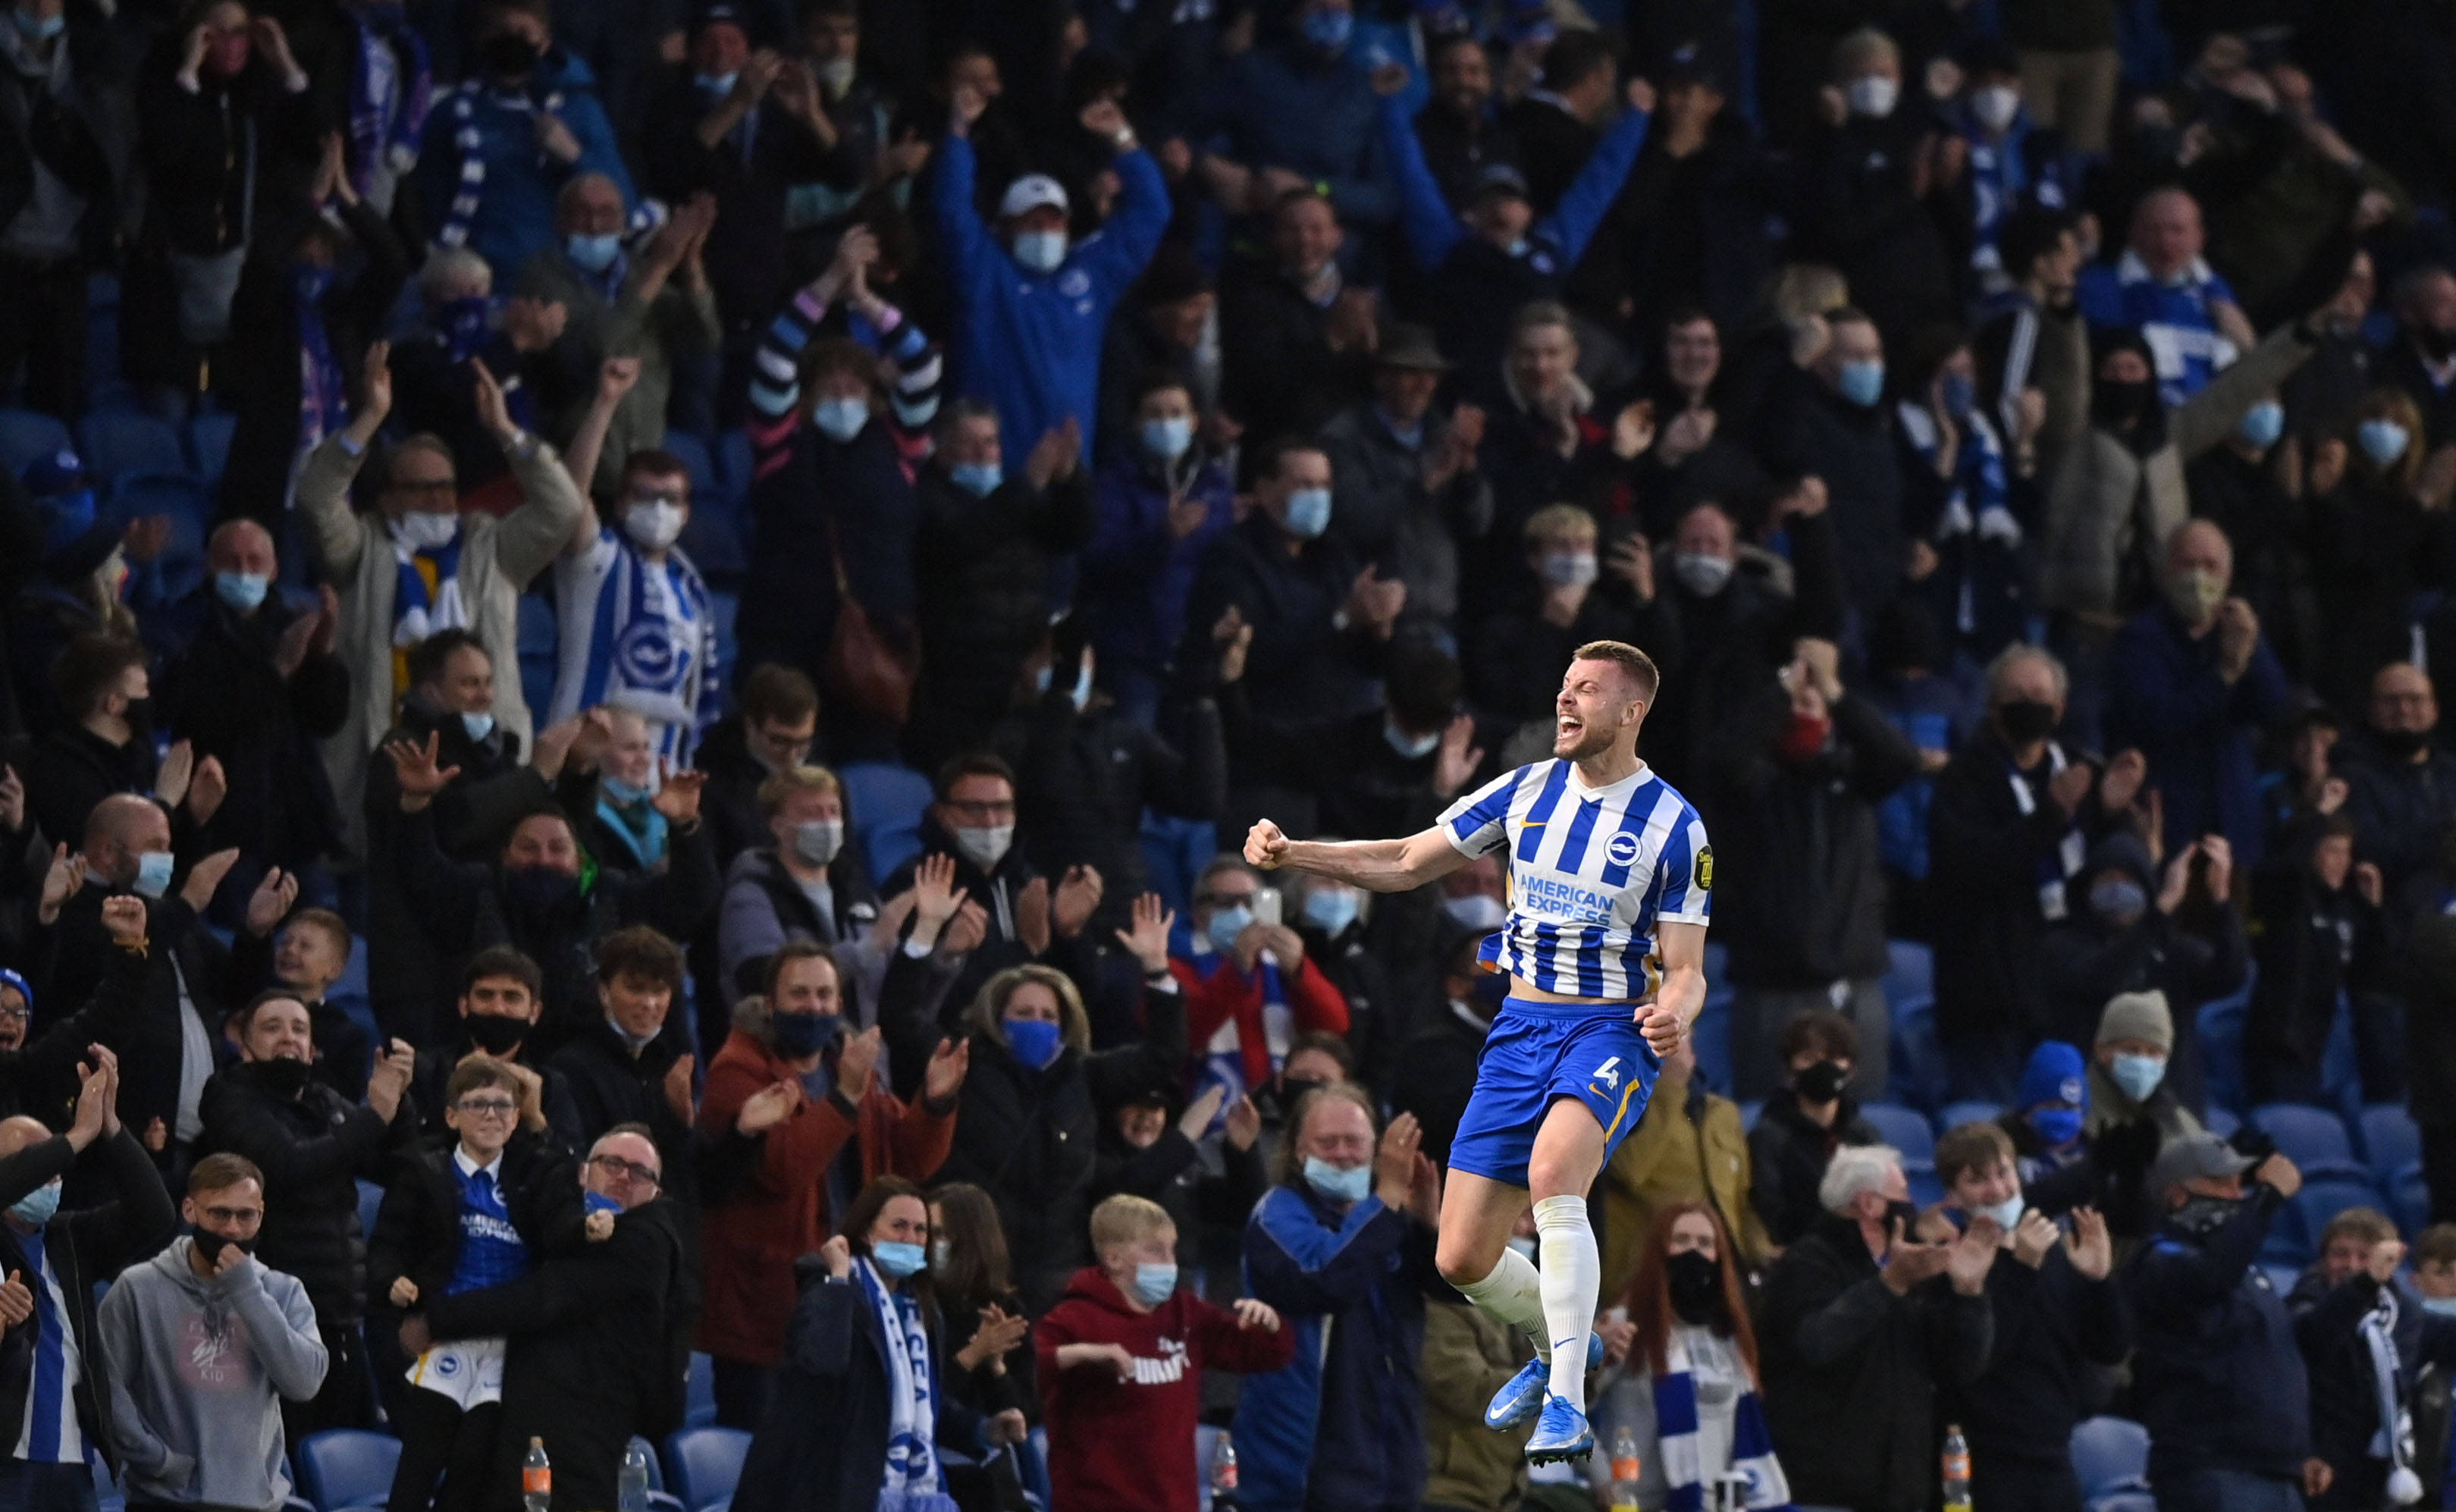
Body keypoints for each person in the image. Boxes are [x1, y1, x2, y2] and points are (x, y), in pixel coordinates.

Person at [1243, 638, 1708, 1461]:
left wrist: (1670, 1014)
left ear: (1631, 711)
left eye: (1587, 690)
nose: (1566, 700)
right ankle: (1561, 1346)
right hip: (1518, 1031)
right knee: (1461, 1255)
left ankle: (1566, 1403)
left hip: (1608, 1029)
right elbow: (1404, 860)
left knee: (1554, 1174)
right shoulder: (1524, 790)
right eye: (1564, 685)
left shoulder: (1675, 825)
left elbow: (1686, 971)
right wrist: (1295, 853)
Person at [298, 343, 584, 858]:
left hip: (484, 767)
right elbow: (316, 499)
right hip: (386, 761)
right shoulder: (360, 549)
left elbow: (563, 509)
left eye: (446, 487)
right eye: (420, 488)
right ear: (388, 498)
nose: (437, 499)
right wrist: (371, 418)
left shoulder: (492, 548)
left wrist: (506, 431)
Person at [695, 940, 967, 1429]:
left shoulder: (851, 1067)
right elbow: (781, 1170)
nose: (814, 1006)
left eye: (824, 994)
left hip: (848, 1304)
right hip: (764, 1315)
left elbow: (910, 1162)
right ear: (770, 1004)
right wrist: (843, 1097)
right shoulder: (738, 1069)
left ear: (841, 1002)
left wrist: (935, 1102)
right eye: (799, 994)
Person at [404, 1125, 690, 1512]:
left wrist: (438, 1319)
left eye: (640, 1172)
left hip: (579, 1438)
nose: (624, 1176)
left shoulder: (645, 1241)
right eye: (612, 1163)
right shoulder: (567, 1227)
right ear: (584, 1173)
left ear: (655, 1192)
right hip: (533, 1421)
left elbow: (544, 1297)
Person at [195, 990, 419, 1441]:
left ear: (312, 1048)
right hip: (269, 1320)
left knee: (347, 1448)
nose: (288, 1037)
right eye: (272, 1027)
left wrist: (400, 1099)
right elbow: (288, 1166)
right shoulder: (228, 1097)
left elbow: (400, 1167)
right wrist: (376, 1114)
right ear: (245, 1045)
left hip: (339, 1317)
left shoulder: (325, 1102)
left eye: (299, 1029)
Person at [730, 1175, 1027, 1512]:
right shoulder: (828, 1289)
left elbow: (919, 1404)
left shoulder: (921, 1312)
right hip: (821, 1488)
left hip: (893, 1492)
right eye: (899, 1226)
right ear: (866, 1232)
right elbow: (824, 1362)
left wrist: (983, 1429)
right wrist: (838, 1280)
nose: (911, 1238)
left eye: (920, 1230)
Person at [367, 1057, 585, 1512]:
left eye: (503, 1106)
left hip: (507, 1343)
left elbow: (561, 1224)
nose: (491, 1115)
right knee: (420, 1461)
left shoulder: (535, 1174)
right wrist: (392, 1281)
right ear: (452, 1116)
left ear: (517, 1118)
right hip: (441, 1336)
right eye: (478, 1104)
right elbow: (387, 1244)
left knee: (475, 1463)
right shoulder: (424, 1171)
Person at [934, 935, 1189, 1314]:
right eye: (1024, 1013)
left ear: (1065, 1023)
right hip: (977, 1271)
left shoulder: (1083, 1077)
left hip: (1057, 1279)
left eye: (1048, 1016)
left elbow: (1163, 1055)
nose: (1037, 1023)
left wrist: (1156, 971)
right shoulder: (966, 1069)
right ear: (997, 1018)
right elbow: (904, 1022)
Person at [1929, 645, 2140, 1099]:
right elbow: (1970, 872)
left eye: (2040, 697)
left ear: (2060, 709)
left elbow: (2112, 881)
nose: (2029, 706)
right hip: (1991, 1002)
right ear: (1992, 706)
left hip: (2071, 995)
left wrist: (2115, 818)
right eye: (2017, 696)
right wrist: (2049, 818)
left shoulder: (2085, 774)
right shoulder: (1961, 781)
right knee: (1993, 1127)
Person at [1713, 636, 1918, 1099]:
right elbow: (1724, 758)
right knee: (1770, 1118)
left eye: (1815, 702)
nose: (1803, 708)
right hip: (1771, 989)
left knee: (1859, 1122)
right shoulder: (1752, 784)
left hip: (1852, 985)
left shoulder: (1854, 778)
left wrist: (1837, 692)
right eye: (1794, 702)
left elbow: (1901, 759)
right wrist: (1781, 691)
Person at [1757, 1144, 1997, 1512]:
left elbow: (1961, 1368)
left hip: (1902, 1489)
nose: (1911, 1205)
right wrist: (1889, 1285)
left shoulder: (1911, 1268)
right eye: (1902, 1194)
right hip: (1825, 1490)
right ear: (1869, 1204)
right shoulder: (1807, 1263)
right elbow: (1816, 1343)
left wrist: (1969, 1293)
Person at [934, 86, 1166, 466]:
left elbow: (1152, 213)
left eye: (1055, 221)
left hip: (1067, 473)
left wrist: (1123, 139)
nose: (1045, 231)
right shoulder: (984, 271)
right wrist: (959, 134)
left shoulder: (1090, 275)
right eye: (1032, 222)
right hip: (989, 469)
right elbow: (951, 208)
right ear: (1005, 228)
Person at [1237, 1085, 1441, 1510]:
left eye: (1354, 1141)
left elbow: (1454, 1294)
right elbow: (1327, 1281)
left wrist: (1428, 1227)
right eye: (1327, 1143)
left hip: (1392, 1457)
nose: (1343, 1154)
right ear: (1298, 1151)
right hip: (1307, 1465)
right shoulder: (1278, 1215)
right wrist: (1387, 1199)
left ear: (1375, 1148)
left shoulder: (1387, 1218)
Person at [97, 1153, 330, 1512]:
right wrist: (158, 1461)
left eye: (246, 1215)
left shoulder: (283, 1291)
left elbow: (304, 1384)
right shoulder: (137, 1288)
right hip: (160, 1500)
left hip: (251, 1503)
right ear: (189, 1210)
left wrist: (248, 1292)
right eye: (220, 1214)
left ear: (261, 1214)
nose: (233, 1229)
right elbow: (105, 1390)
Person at [0, 1042, 177, 1512]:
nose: (49, 1172)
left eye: (56, 1164)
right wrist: (76, 1135)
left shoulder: (69, 1239)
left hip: (71, 1459)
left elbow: (155, 1214)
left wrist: (110, 1127)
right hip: (6, 1461)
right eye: (33, 1159)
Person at [1035, 1194, 1293, 1512]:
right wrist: (1083, 1354)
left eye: (1172, 1249)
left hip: (1175, 1502)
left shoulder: (1186, 1313)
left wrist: (1270, 1326)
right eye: (1156, 1251)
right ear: (1113, 1258)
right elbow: (1029, 1369)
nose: (1170, 1262)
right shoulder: (1074, 1318)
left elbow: (1265, 1355)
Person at [1934, 1121, 2131, 1512]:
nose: (1997, 1189)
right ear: (1953, 1196)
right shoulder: (1948, 1266)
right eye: (1977, 1180)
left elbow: (2109, 1350)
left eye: (2003, 1173)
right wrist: (2022, 1268)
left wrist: (2100, 1281)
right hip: (1980, 1467)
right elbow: (1974, 1362)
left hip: (2054, 1458)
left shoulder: (2054, 1253)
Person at [2128, 1132, 2323, 1512]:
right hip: (2212, 1470)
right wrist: (2267, 1199)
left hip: (2277, 1475)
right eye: (2222, 1184)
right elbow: (2208, 1278)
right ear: (2178, 1195)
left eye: (2239, 1184)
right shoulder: (2161, 1258)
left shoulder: (2243, 1268)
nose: (2238, 1196)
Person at [2106, 520, 2294, 868]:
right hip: (2170, 823)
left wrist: (2254, 649)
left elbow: (2276, 709)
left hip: (2233, 821)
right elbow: (2158, 720)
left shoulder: (2238, 629)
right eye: (2188, 564)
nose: (2199, 576)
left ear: (2229, 574)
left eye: (2211, 566)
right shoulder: (2140, 640)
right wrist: (2223, 676)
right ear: (2166, 571)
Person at [519, 181, 721, 497]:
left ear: (623, 220)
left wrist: (691, 260)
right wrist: (660, 267)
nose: (595, 224)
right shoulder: (542, 276)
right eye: (582, 212)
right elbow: (598, 347)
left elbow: (705, 338)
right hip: (579, 477)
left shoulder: (639, 272)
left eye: (607, 212)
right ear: (560, 220)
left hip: (646, 470)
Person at [1587, 1203, 1792, 1512]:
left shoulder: (1729, 1336)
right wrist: (1602, 1479)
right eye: (1681, 1240)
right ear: (1659, 1250)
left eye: (1705, 1243)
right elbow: (1564, 1408)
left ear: (1719, 1257)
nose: (1693, 1252)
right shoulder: (1626, 1327)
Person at [413, 0, 632, 283]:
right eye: (500, 30)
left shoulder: (580, 110)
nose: (512, 40)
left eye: (524, 32)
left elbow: (624, 200)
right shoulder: (453, 111)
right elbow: (429, 198)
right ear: (481, 38)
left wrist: (574, 155)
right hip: (475, 277)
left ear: (544, 41)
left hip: (556, 278)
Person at [546, 415, 722, 765]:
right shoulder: (596, 560)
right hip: (586, 762)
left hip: (661, 767)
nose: (659, 508)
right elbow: (569, 500)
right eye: (645, 496)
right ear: (622, 503)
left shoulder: (691, 589)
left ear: (686, 512)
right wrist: (605, 404)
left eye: (671, 499)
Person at [2287, 1207, 2456, 1509]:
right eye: (2340, 1254)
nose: (2352, 1266)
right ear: (2323, 1259)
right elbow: (2315, 1336)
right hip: (2321, 1470)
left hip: (2384, 1475)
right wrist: (2367, 1281)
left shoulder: (2405, 1314)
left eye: (2365, 1256)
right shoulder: (2304, 1302)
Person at [1598, 1034, 1771, 1298]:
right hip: (1643, 1281)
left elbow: (1740, 1200)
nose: (1675, 1049)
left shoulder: (1722, 1112)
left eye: (1682, 1038)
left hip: (1719, 1277)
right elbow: (1628, 1170)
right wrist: (1670, 1086)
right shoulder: (1616, 1105)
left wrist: (1761, 1251)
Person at [2077, 187, 2257, 407]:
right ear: (2134, 233)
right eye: (2154, 230)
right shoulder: (2100, 287)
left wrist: (2247, 345)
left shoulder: (2217, 293)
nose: (2165, 241)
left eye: (2177, 230)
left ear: (2200, 237)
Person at [1746, 1009, 1882, 1247]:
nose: (1822, 1067)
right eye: (1809, 1058)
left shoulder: (1864, 1134)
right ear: (1790, 1071)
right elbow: (1772, 1213)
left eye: (1833, 1058)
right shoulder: (1768, 1138)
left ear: (1851, 1071)